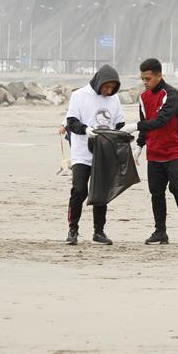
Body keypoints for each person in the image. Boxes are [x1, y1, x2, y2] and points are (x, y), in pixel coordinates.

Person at [122, 58, 178, 246]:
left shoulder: (170, 95)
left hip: (176, 150)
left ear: (159, 75)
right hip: (154, 152)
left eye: (148, 78)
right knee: (156, 192)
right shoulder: (144, 97)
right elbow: (146, 123)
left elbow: (161, 120)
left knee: (177, 188)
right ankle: (160, 231)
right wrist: (139, 146)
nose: (145, 82)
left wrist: (133, 126)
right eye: (142, 79)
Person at [63, 64, 126, 245]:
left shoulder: (114, 100)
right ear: (99, 82)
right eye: (107, 87)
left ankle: (99, 232)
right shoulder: (79, 96)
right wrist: (86, 129)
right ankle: (72, 230)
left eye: (113, 88)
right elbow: (71, 122)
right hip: (82, 153)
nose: (109, 91)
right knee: (79, 190)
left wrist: (124, 135)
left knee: (100, 194)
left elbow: (119, 124)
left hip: (104, 154)